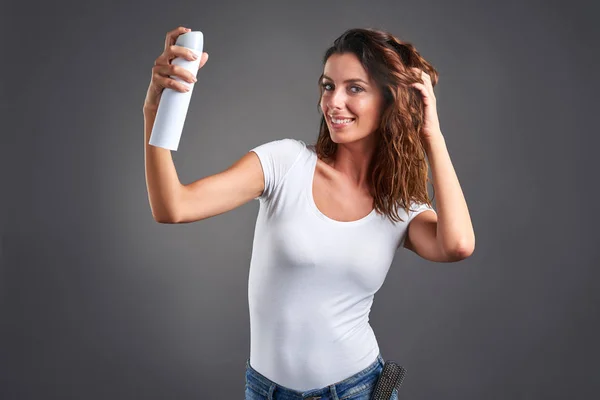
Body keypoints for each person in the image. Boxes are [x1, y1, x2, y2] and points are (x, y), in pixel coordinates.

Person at [143, 26, 475, 400]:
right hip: (267, 392)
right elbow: (173, 207)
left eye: (355, 88)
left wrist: (432, 134)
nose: (333, 102)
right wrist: (154, 111)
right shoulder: (286, 163)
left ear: (389, 101)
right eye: (328, 86)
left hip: (358, 390)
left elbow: (458, 245)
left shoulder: (398, 204)